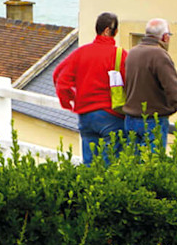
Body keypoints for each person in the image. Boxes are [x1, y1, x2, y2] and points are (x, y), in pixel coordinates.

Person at [52, 11, 127, 164]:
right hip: (110, 115)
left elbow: (59, 77)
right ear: (111, 31)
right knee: (110, 166)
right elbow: (131, 83)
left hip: (85, 115)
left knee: (89, 165)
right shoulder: (120, 55)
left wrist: (70, 100)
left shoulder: (81, 53)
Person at [123, 18, 177, 153]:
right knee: (151, 167)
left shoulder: (132, 53)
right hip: (153, 120)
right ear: (165, 37)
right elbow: (174, 91)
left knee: (132, 167)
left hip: (130, 119)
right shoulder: (159, 55)